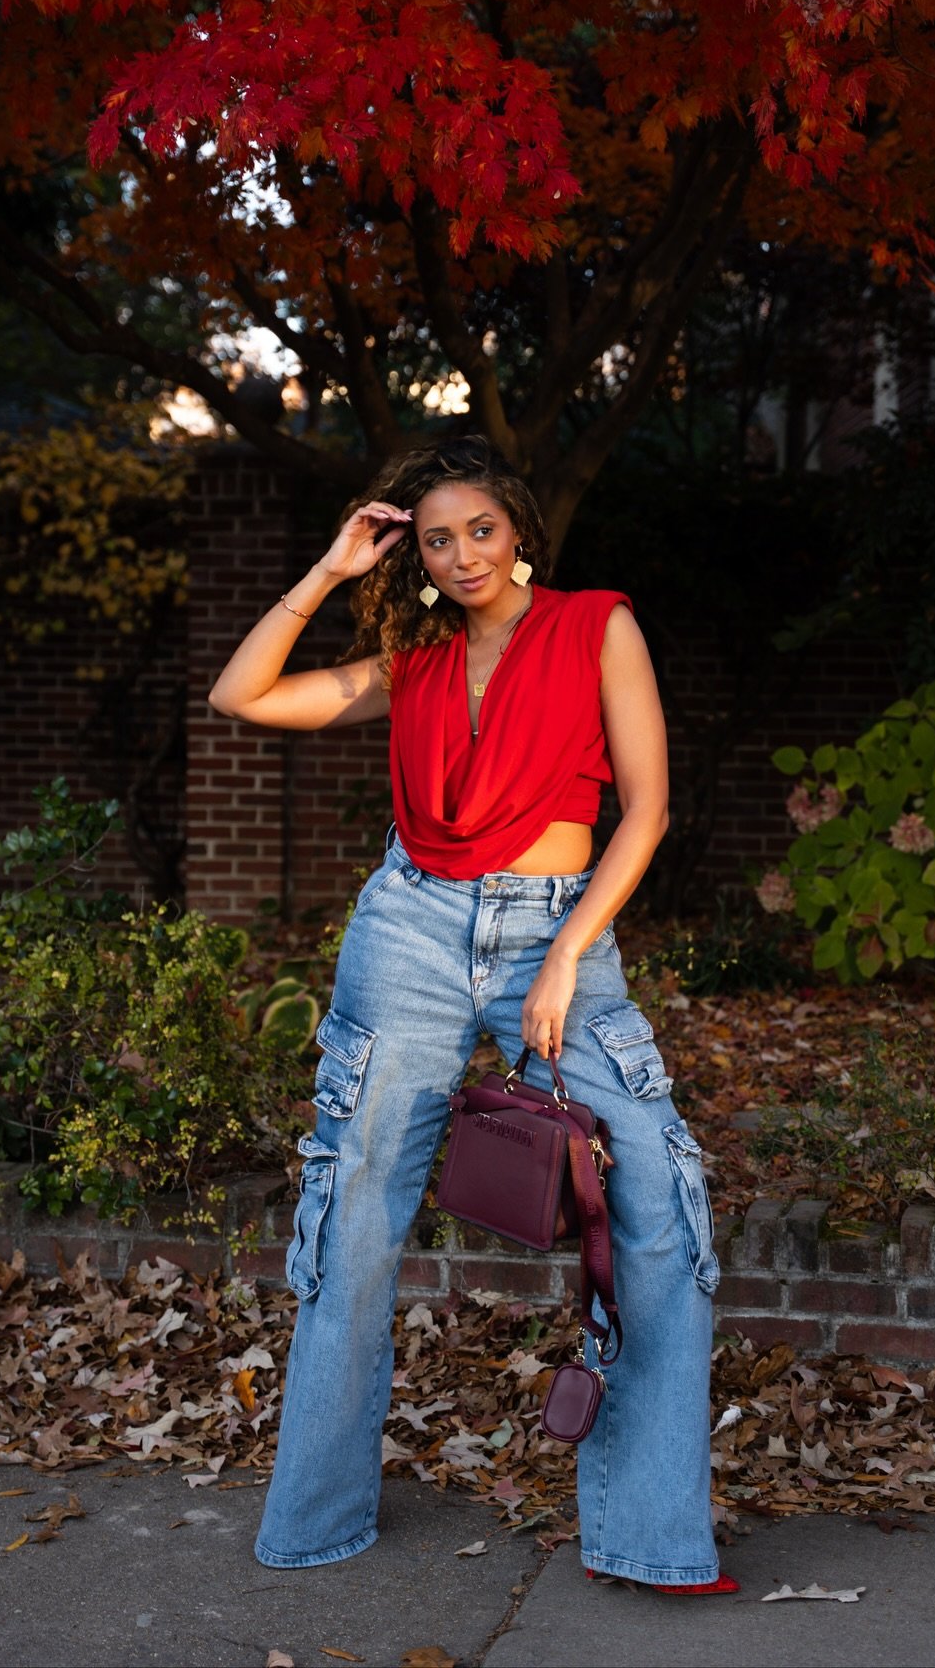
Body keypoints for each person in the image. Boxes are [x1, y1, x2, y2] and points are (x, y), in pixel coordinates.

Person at [208, 436, 734, 1594]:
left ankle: (652, 1535)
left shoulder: (597, 625)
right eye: (438, 540)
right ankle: (316, 1517)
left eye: (480, 530)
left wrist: (567, 958)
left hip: (557, 930)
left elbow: (646, 810)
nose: (462, 556)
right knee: (352, 1209)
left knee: (658, 1194)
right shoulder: (414, 659)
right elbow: (240, 695)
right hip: (409, 928)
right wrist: (331, 571)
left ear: (520, 531)